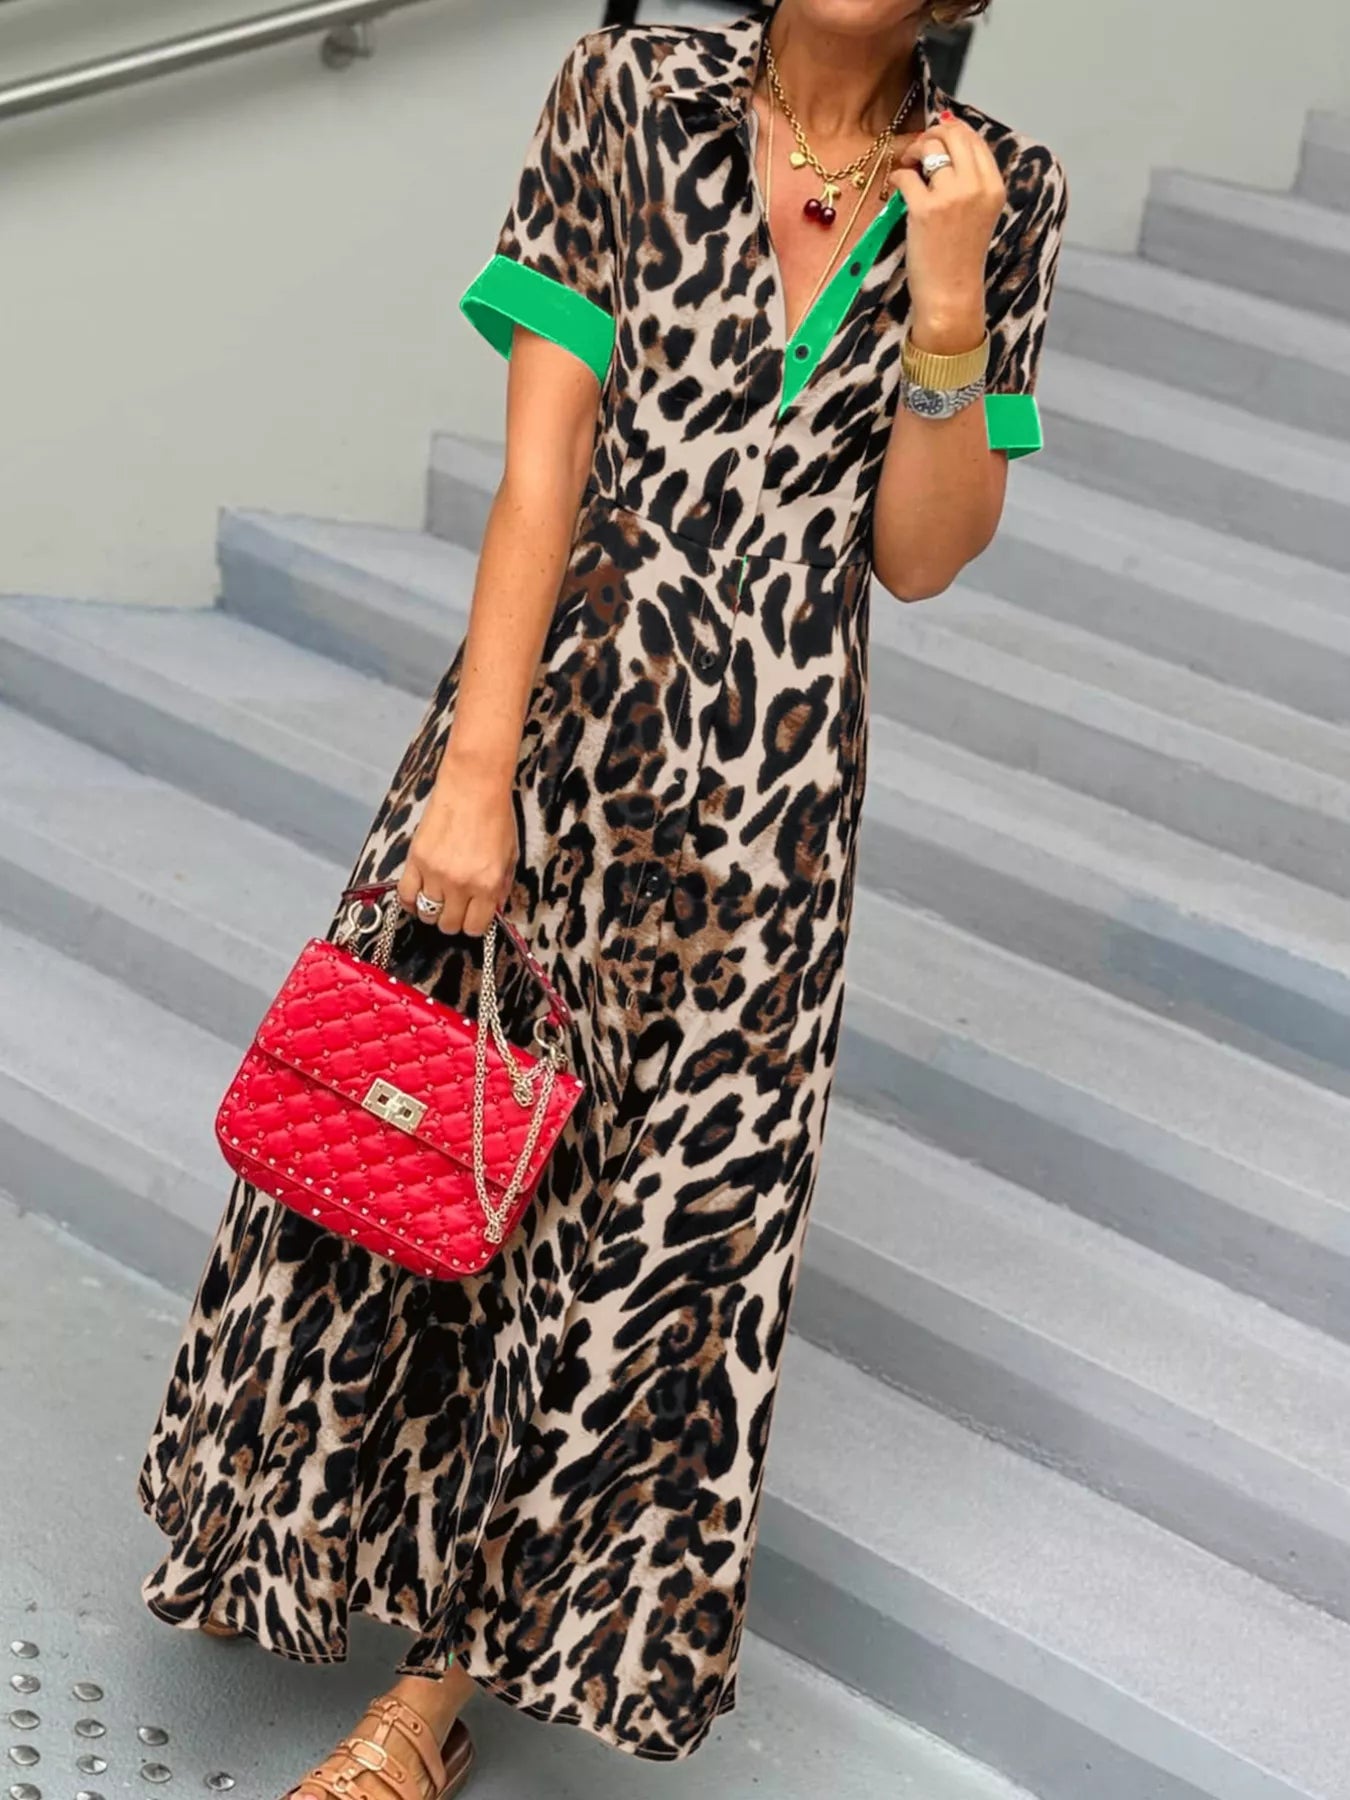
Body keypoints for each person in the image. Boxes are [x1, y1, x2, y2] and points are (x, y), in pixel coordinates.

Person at [137, 0, 1068, 1793]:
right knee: (403, 1150)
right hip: (555, 733)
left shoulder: (993, 188)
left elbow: (919, 555)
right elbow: (540, 472)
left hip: (768, 823)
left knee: (643, 1247)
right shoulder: (630, 94)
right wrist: (475, 776)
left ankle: (434, 1700)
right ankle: (291, 1539)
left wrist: (947, 298)